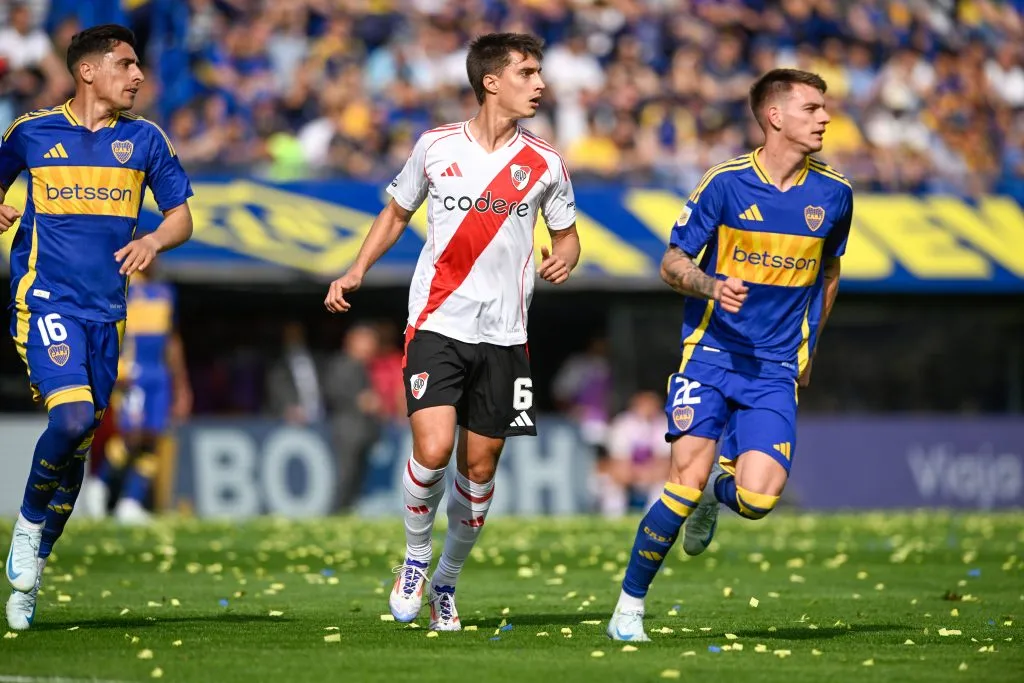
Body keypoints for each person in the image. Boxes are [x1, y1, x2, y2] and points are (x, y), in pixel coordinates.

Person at [324, 32, 580, 631]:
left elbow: (566, 233)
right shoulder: (436, 147)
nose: (540, 84)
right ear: (491, 81)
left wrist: (566, 254)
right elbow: (396, 212)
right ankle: (415, 557)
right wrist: (356, 269)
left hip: (507, 335)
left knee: (481, 469)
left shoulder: (546, 163)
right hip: (438, 322)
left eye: (540, 73)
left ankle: (447, 582)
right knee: (434, 449)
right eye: (527, 73)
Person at [606, 68, 852, 641]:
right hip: (711, 355)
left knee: (759, 498)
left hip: (773, 368)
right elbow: (671, 262)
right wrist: (710, 285)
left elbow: (830, 272)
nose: (825, 118)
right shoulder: (725, 182)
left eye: (824, 108)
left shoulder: (835, 193)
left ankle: (720, 495)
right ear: (776, 117)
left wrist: (809, 346)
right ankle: (629, 608)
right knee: (682, 479)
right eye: (812, 108)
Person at [0, 24, 194, 631]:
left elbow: (182, 214)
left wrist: (155, 238)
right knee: (74, 418)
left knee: (82, 443)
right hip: (46, 302)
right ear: (89, 71)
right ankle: (27, 529)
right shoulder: (31, 132)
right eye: (127, 65)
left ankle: (36, 564)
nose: (139, 76)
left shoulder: (144, 141)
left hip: (108, 314)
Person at [84, 267, 192, 524]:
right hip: (133, 372)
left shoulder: (165, 292)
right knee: (132, 436)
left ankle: (130, 503)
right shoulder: (124, 287)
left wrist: (181, 384)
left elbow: (172, 340)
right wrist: (115, 366)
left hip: (159, 374)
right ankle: (100, 484)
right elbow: (107, 328)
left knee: (154, 437)